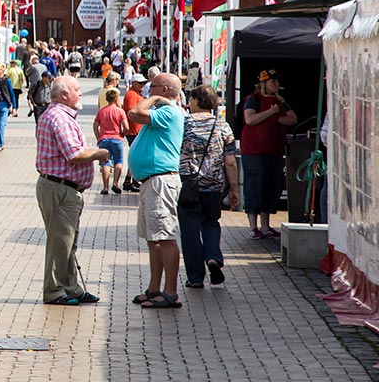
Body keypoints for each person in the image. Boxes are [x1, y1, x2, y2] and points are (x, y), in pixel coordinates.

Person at [35, 76, 110, 305]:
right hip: (60, 187)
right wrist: (99, 153)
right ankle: (55, 290)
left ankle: (71, 288)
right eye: (77, 89)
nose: (81, 93)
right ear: (64, 94)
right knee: (60, 242)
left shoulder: (60, 115)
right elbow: (74, 155)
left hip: (61, 187)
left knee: (66, 242)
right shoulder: (60, 118)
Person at [127, 73, 185, 310]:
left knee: (165, 235)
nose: (147, 91)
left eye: (152, 86)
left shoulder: (169, 111)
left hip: (161, 181)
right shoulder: (165, 111)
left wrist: (152, 98)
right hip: (152, 181)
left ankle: (170, 291)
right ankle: (154, 287)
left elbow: (134, 113)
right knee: (154, 238)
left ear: (162, 89)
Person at [178, 85, 238, 288]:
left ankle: (195, 277)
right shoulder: (223, 126)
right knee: (211, 222)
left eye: (191, 99)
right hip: (214, 186)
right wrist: (235, 189)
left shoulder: (183, 124)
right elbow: (230, 161)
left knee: (190, 230)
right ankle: (213, 256)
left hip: (188, 185)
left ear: (196, 101)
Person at [241, 69, 297, 239]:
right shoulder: (253, 99)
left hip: (274, 151)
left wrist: (276, 114)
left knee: (272, 188)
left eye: (277, 82)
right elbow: (249, 119)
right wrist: (271, 113)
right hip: (254, 152)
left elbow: (292, 119)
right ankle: (253, 226)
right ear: (264, 83)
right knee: (255, 186)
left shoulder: (279, 101)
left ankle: (266, 226)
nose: (277, 85)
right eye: (273, 82)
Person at [93, 88, 128, 195]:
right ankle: (116, 183)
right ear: (116, 98)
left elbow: (95, 125)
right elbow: (126, 127)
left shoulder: (101, 111)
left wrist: (98, 137)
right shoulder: (120, 111)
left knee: (105, 162)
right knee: (118, 161)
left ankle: (105, 187)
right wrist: (123, 134)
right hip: (116, 139)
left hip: (104, 139)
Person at [121, 74, 148, 191]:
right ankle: (132, 180)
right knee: (137, 155)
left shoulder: (136, 94)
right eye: (140, 83)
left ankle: (130, 180)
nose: (143, 85)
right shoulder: (132, 94)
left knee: (137, 154)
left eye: (144, 83)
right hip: (134, 130)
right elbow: (132, 111)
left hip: (136, 129)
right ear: (133, 83)